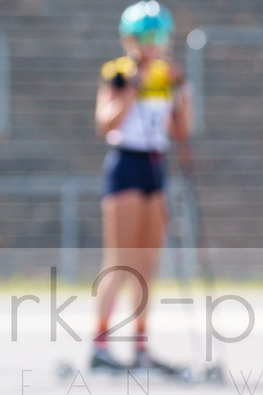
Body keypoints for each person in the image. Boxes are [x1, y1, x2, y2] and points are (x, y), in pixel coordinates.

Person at [91, 1, 193, 373]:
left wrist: (182, 92)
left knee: (148, 262)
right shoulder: (117, 74)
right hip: (126, 165)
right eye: (144, 38)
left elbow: (182, 129)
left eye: (157, 38)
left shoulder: (167, 76)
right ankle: (100, 343)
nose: (151, 45)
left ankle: (140, 344)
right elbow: (105, 123)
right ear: (129, 40)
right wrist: (132, 88)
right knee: (120, 259)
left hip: (155, 166)